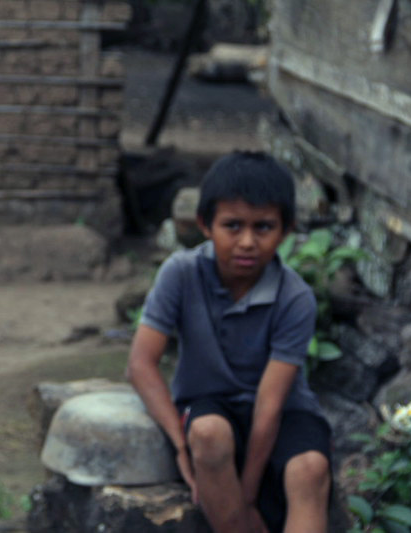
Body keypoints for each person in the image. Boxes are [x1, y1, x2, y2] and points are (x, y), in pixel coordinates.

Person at [127, 151, 331, 533]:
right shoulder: (181, 273)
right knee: (207, 435)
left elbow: (270, 404)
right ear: (205, 225)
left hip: (284, 412)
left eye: (263, 227)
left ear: (285, 231)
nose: (247, 242)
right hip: (210, 403)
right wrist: (181, 444)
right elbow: (140, 364)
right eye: (232, 226)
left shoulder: (294, 297)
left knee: (310, 470)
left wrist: (248, 495)